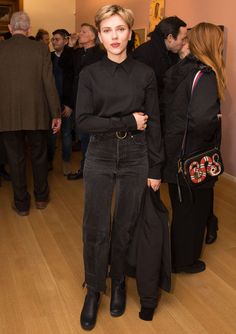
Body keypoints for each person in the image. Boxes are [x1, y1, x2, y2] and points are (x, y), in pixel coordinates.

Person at [76, 4, 163, 330]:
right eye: (108, 30)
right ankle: (94, 288)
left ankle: (119, 282)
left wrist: (156, 167)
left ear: (130, 33)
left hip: (135, 155)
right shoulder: (90, 74)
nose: (115, 36)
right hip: (99, 154)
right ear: (100, 35)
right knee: (95, 227)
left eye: (121, 29)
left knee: (126, 225)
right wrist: (127, 120)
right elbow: (83, 121)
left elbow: (153, 123)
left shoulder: (144, 74)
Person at [160, 22, 226, 273]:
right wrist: (214, 119)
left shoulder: (180, 70)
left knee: (182, 209)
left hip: (176, 151)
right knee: (193, 211)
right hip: (195, 155)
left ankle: (176, 257)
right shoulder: (205, 74)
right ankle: (185, 261)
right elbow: (200, 119)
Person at [0, 11, 61, 216]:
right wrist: (56, 113)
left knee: (15, 160)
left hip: (6, 115)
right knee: (39, 157)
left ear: (10, 28)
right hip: (36, 113)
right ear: (29, 29)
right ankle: (41, 198)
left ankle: (22, 204)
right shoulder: (40, 49)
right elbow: (48, 83)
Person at [62, 23, 105, 180]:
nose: (80, 34)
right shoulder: (78, 53)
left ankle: (94, 170)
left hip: (95, 103)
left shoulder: (100, 54)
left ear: (93, 36)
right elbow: (64, 66)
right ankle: (85, 169)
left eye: (84, 31)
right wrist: (70, 46)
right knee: (83, 138)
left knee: (94, 138)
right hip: (79, 101)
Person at [133, 16, 187, 97]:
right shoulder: (143, 54)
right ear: (170, 38)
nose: (184, 43)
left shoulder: (173, 53)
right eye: (182, 39)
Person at [48, 28, 73, 175]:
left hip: (66, 102)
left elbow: (72, 82)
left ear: (65, 40)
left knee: (66, 134)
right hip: (51, 102)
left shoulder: (71, 57)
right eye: (53, 39)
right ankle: (49, 162)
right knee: (51, 135)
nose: (54, 42)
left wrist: (70, 105)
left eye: (57, 39)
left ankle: (66, 163)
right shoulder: (49, 57)